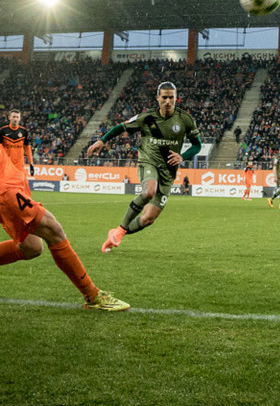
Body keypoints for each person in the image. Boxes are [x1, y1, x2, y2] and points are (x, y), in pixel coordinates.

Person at [0, 132, 128, 310]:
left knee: (31, 248)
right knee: (53, 229)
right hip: (6, 190)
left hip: (13, 181)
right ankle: (92, 294)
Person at [86, 81, 201, 252]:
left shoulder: (185, 119)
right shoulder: (146, 118)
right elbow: (121, 127)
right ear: (158, 98)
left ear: (176, 98)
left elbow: (196, 145)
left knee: (148, 219)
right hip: (149, 161)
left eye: (171, 97)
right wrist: (102, 140)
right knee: (148, 191)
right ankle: (119, 230)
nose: (168, 101)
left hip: (168, 172)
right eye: (164, 97)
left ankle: (118, 233)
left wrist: (182, 156)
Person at [0, 109, 34, 176]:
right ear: (9, 117)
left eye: (17, 117)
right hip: (6, 165)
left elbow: (27, 148)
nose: (15, 119)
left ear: (20, 119)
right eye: (13, 117)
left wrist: (31, 163)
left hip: (19, 166)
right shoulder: (3, 131)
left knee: (19, 185)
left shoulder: (24, 132)